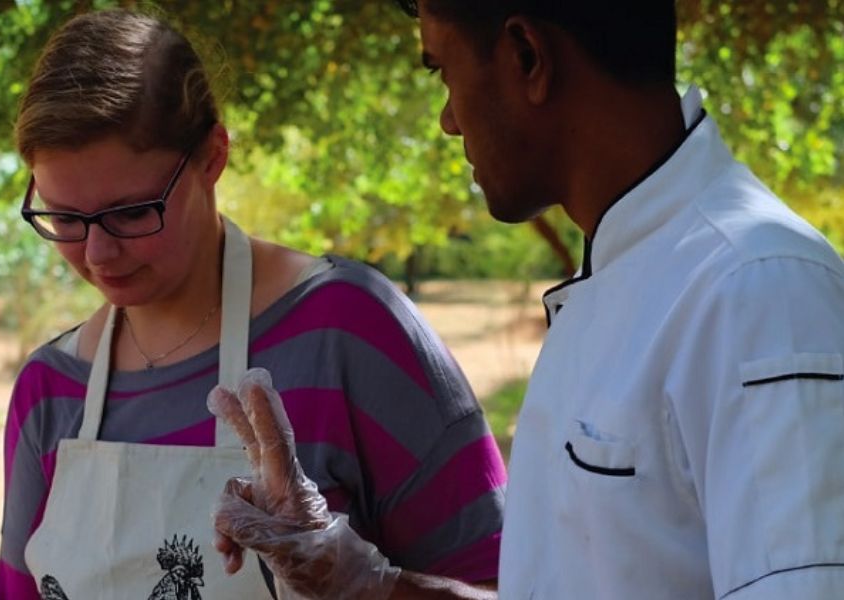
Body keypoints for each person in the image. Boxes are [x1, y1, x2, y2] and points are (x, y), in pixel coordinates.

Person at [210, 0, 844, 598]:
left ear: (526, 57)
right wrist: (354, 577)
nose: (448, 118)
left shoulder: (756, 290)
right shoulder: (629, 272)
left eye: (443, 71)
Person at [0, 9, 507, 599]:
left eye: (131, 212)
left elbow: (513, 587)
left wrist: (366, 587)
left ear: (213, 157)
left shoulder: (348, 331)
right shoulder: (49, 391)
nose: (97, 252)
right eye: (63, 218)